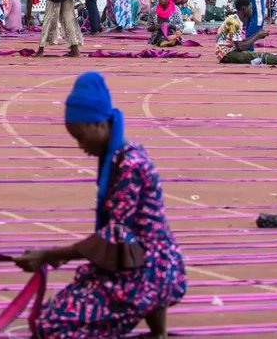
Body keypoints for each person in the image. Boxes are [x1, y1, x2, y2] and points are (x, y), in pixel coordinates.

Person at [16, 72, 187, 338]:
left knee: (51, 327)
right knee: (52, 315)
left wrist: (49, 254)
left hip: (145, 273)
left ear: (99, 125)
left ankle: (153, 322)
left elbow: (115, 237)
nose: (80, 146)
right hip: (146, 266)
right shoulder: (121, 156)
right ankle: (158, 331)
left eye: (81, 136)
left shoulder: (129, 166)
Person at [216, 0, 277, 66]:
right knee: (262, 56)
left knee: (262, 55)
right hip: (227, 55)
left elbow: (240, 42)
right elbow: (240, 47)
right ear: (244, 8)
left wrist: (258, 33)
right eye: (250, 8)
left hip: (229, 52)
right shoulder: (234, 22)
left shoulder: (235, 20)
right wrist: (257, 36)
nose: (251, 10)